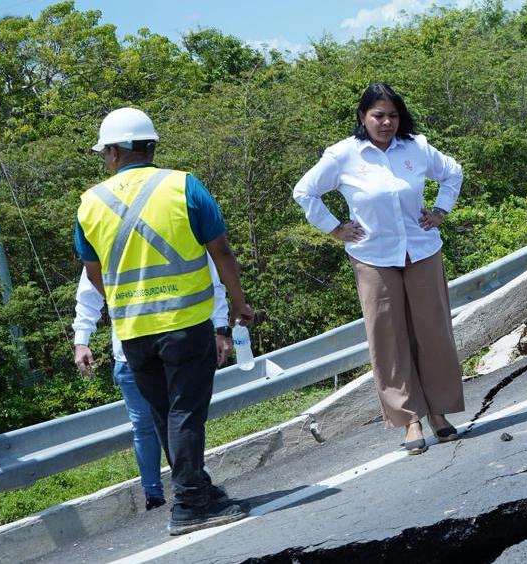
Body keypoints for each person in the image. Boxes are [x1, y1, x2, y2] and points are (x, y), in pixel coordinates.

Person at [75, 107, 254, 535]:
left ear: (116, 152)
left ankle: (199, 489)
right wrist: (238, 302)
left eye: (105, 153)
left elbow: (93, 271)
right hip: (184, 321)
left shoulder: (90, 202)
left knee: (164, 414)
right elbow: (222, 252)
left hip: (132, 331)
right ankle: (190, 503)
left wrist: (122, 301)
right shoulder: (184, 186)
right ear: (149, 147)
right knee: (186, 413)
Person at [292, 83, 466, 456]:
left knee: (433, 333)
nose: (386, 122)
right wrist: (335, 228)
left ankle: (439, 413)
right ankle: (410, 421)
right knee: (388, 339)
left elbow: (453, 173)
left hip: (421, 250)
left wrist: (441, 210)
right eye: (378, 115)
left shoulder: (416, 148)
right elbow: (304, 191)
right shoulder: (343, 155)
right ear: (362, 117)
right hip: (372, 256)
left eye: (392, 115)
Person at [72, 260, 231, 512]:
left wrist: (220, 323)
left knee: (175, 419)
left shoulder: (168, 227)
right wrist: (81, 339)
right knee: (158, 423)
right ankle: (158, 493)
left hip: (169, 343)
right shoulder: (109, 237)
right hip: (136, 351)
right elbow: (90, 289)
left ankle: (194, 484)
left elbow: (210, 279)